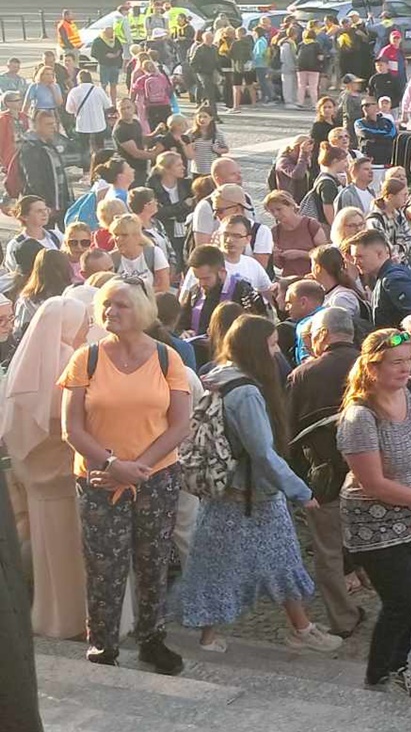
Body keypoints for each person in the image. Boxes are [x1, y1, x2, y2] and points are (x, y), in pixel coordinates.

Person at [172, 314, 342, 656]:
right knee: (280, 561)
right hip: (254, 494)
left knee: (220, 564)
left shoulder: (221, 377)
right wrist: (301, 491)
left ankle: (220, 635)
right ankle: (300, 630)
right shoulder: (247, 392)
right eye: (272, 344)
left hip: (228, 489)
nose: (277, 351)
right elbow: (262, 451)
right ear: (256, 347)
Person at [58, 279, 191, 672]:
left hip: (156, 477)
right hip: (100, 478)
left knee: (153, 561)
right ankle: (103, 644)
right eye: (106, 304)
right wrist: (114, 466)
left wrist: (137, 470)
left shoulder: (167, 359)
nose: (110, 312)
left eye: (121, 305)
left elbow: (180, 425)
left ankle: (152, 640)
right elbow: (71, 428)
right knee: (104, 565)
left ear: (142, 312)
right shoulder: (86, 359)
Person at [338, 328, 411, 698]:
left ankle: (396, 667)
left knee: (410, 600)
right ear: (372, 367)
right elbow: (373, 483)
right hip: (375, 522)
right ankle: (380, 672)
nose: (405, 369)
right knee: (400, 602)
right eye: (395, 363)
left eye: (409, 361)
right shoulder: (360, 417)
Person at [1, 285, 97, 639]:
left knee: (48, 555)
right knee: (74, 553)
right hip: (65, 475)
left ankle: (51, 615)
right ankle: (77, 618)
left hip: (37, 476)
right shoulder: (69, 361)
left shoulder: (27, 363)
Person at [284, 307, 362, 636]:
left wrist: (298, 482)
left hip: (325, 474)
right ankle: (399, 609)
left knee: (328, 551)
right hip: (376, 474)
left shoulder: (303, 375)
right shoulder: (372, 365)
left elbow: (288, 433)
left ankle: (343, 619)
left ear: (321, 336)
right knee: (382, 543)